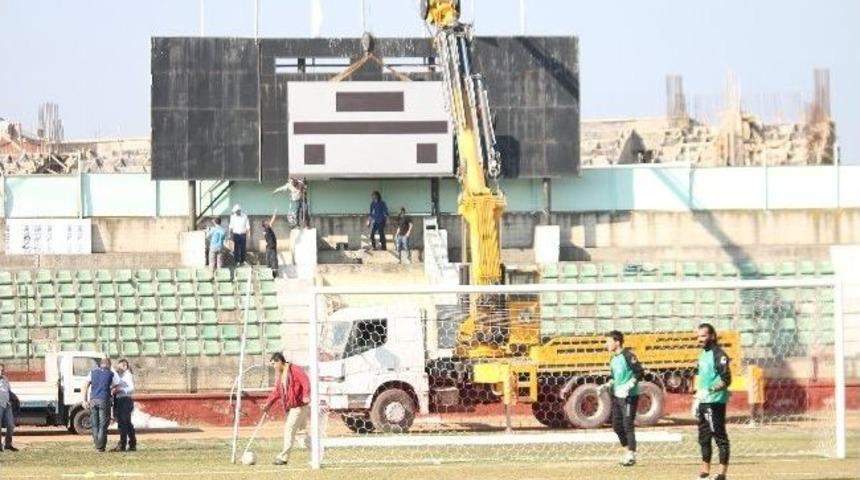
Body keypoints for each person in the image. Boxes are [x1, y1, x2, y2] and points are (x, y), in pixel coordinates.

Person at [693, 323, 732, 480]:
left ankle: (722, 474)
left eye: (703, 336)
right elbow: (699, 377)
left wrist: (710, 390)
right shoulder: (702, 354)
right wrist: (695, 399)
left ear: (712, 336)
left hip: (714, 401)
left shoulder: (719, 355)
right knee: (703, 437)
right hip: (703, 401)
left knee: (719, 436)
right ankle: (705, 472)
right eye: (698, 336)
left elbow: (726, 379)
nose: (699, 339)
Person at [599, 330, 644, 467]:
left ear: (617, 342)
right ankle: (626, 452)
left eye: (608, 341)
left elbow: (639, 372)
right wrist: (607, 385)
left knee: (627, 424)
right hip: (618, 396)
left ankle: (631, 454)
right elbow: (614, 377)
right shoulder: (613, 358)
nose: (606, 344)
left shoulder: (628, 356)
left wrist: (629, 385)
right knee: (617, 426)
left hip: (629, 396)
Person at [262, 352, 310, 466]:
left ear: (279, 361)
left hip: (299, 406)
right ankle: (318, 452)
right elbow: (278, 391)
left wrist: (306, 395)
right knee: (301, 434)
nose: (273, 367)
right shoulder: (281, 374)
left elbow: (305, 381)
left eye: (274, 364)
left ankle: (283, 458)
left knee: (289, 429)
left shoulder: (295, 369)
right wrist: (268, 404)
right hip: (293, 408)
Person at [83, 357, 118, 452]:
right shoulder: (111, 374)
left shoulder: (92, 372)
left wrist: (84, 400)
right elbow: (117, 385)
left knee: (95, 424)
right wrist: (111, 390)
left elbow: (85, 385)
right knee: (103, 425)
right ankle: (100, 447)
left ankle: (97, 444)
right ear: (109, 365)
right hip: (104, 400)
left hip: (93, 400)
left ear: (100, 364)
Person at [111, 359, 137, 452]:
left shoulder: (128, 375)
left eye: (120, 366)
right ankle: (131, 443)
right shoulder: (121, 375)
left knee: (124, 423)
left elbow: (131, 388)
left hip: (125, 400)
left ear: (125, 366)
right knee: (127, 423)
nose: (118, 368)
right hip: (121, 400)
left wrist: (120, 390)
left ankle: (123, 444)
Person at [0, 364, 18, 452]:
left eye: (2, 370)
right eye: (0, 370)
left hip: (7, 405)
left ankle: (8, 444)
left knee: (11, 425)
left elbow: (8, 391)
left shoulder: (5, 379)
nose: (1, 372)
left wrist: (14, 398)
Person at [262, 210, 279, 278]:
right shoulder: (267, 229)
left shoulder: (265, 230)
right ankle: (273, 274)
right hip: (271, 247)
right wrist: (274, 214)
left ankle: (271, 273)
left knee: (269, 260)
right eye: (266, 222)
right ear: (265, 225)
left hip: (270, 247)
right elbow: (272, 221)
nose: (268, 222)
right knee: (273, 260)